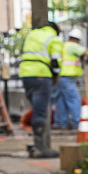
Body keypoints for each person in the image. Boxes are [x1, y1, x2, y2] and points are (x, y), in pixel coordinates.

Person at [20, 21, 63, 158]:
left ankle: (38, 145)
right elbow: (55, 61)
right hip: (41, 74)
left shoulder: (32, 34)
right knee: (41, 111)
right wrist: (56, 74)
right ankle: (41, 148)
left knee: (36, 108)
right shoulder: (54, 39)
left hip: (26, 74)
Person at [54, 29, 88, 129]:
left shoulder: (64, 46)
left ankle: (61, 123)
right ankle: (78, 122)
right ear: (77, 40)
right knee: (74, 100)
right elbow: (85, 52)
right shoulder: (72, 46)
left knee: (61, 101)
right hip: (67, 78)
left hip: (60, 77)